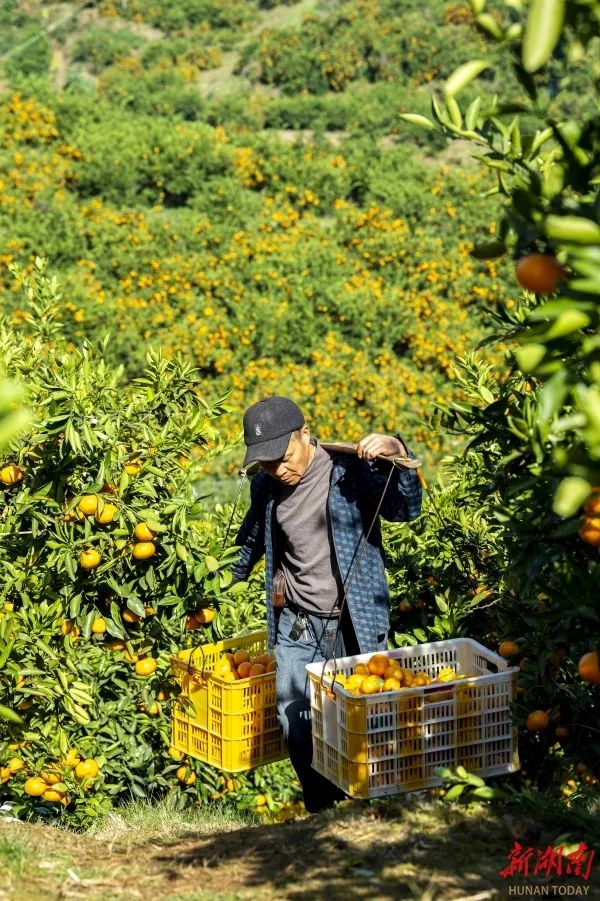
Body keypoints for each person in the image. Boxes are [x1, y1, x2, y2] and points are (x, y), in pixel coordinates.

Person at [231, 396, 422, 812]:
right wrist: (215, 581)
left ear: (304, 434)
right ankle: (325, 812)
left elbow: (406, 509)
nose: (277, 469)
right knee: (296, 719)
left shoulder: (349, 471)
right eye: (265, 464)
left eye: (282, 457)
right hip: (297, 623)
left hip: (356, 622)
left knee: (366, 723)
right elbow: (248, 542)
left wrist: (399, 452)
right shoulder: (266, 486)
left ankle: (373, 807)